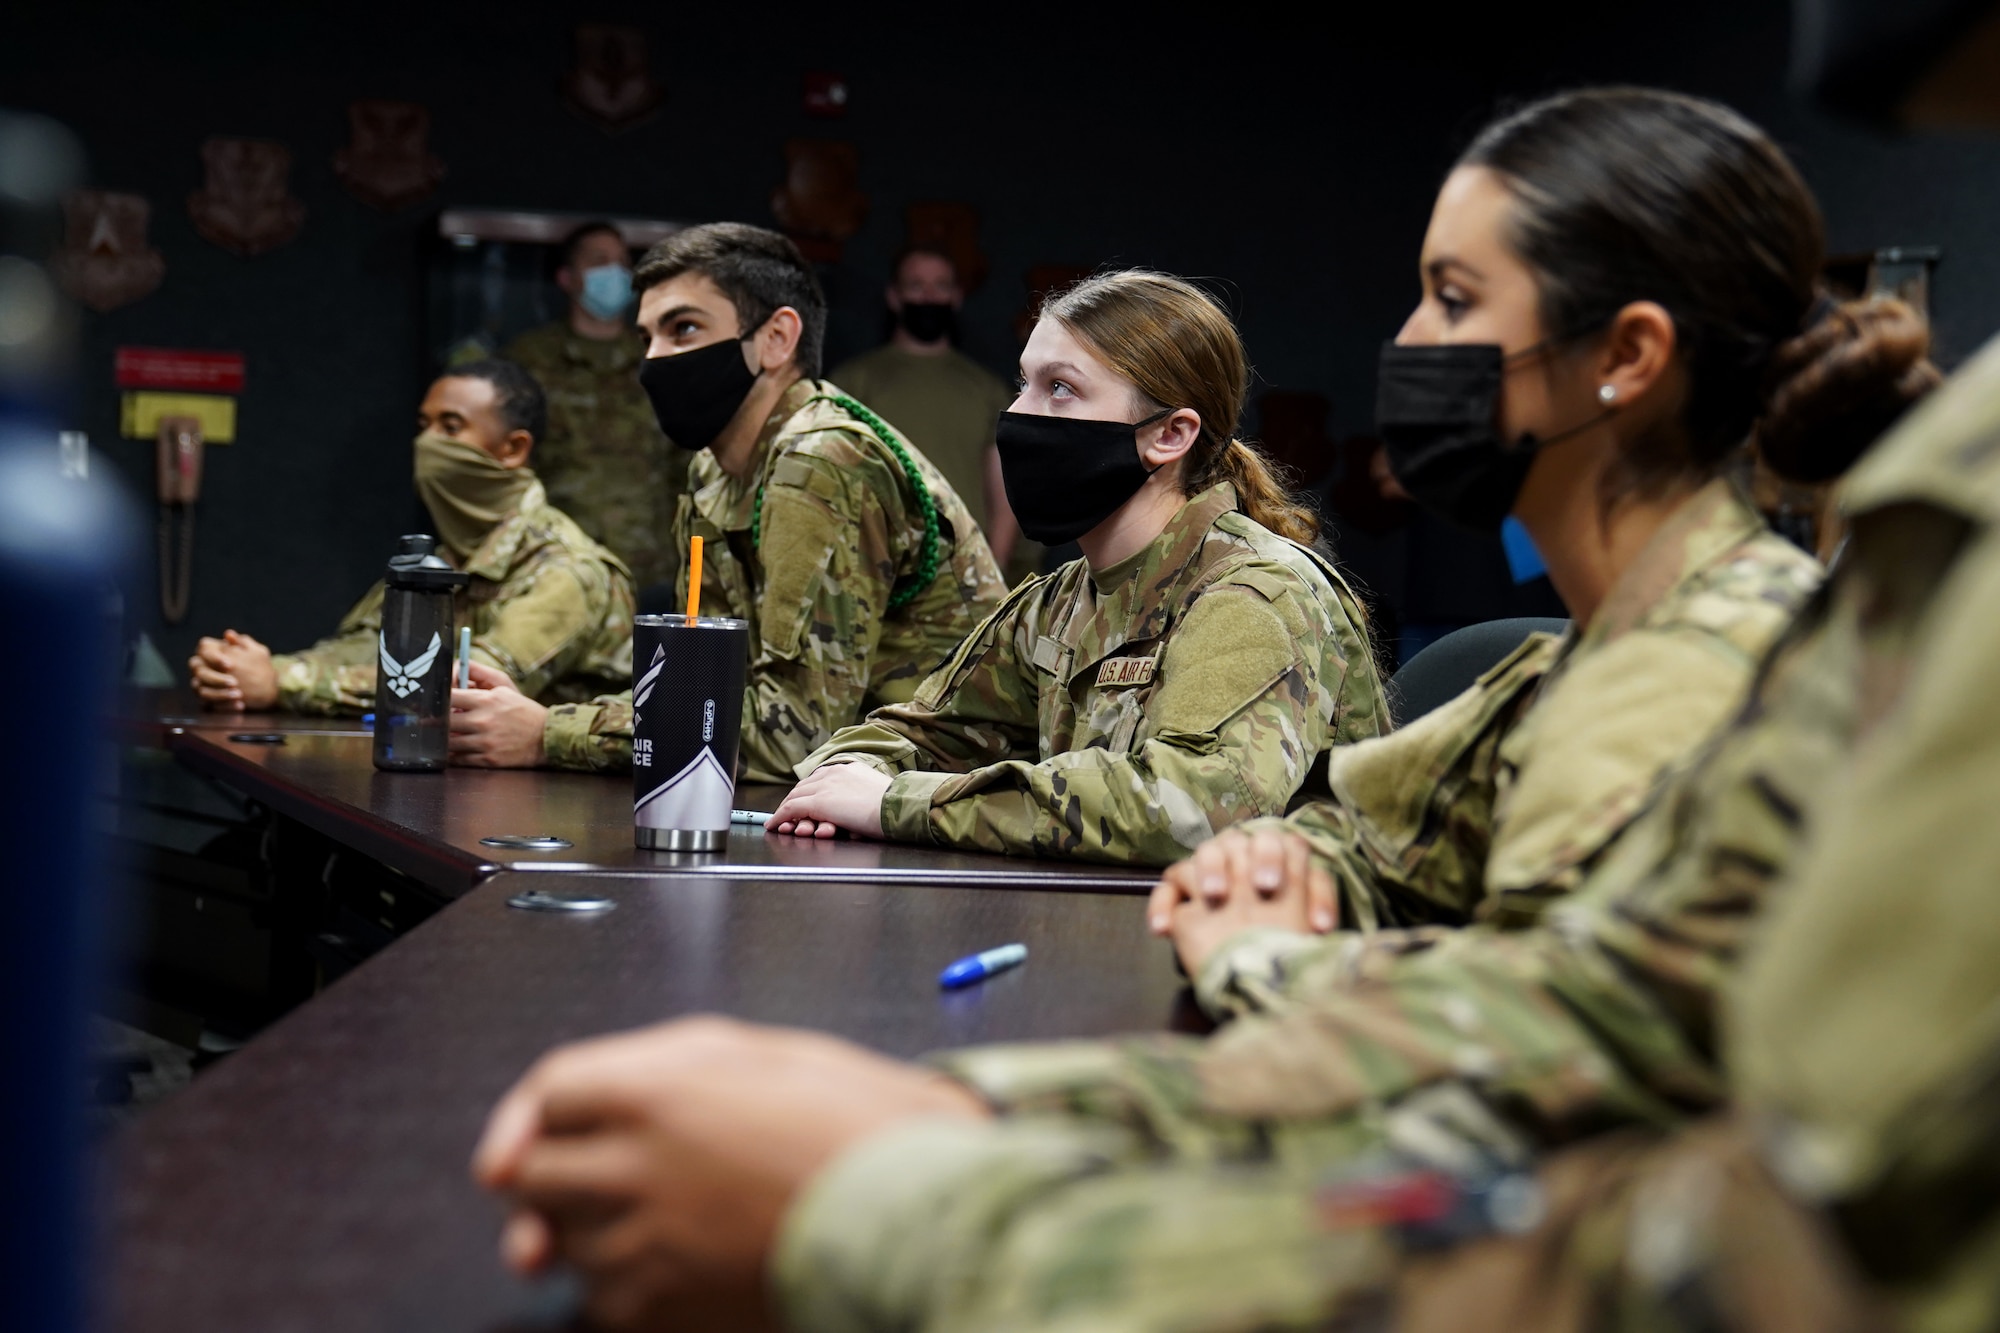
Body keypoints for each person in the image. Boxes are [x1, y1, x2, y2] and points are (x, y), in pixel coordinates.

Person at [467, 89, 1941, 1332]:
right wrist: (1287, 884)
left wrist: (949, 1128)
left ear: (1623, 356)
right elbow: (1331, 843)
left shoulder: (1700, 674)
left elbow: (1539, 1073)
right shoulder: (1570, 668)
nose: (1408, 342)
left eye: (1453, 298)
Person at [766, 270, 1387, 866]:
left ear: (1169, 435)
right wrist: (855, 777)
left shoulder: (1255, 594)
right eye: (1024, 382)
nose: (1019, 414)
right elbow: (925, 732)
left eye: (1059, 388)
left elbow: (1192, 808)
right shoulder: (1062, 599)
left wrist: (898, 803)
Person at [448, 223, 1007, 780]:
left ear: (776, 339)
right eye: (647, 338)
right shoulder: (715, 467)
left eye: (683, 329)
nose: (653, 361)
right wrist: (530, 713)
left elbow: (795, 734)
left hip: (940, 784)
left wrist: (549, 732)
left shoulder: (820, 461)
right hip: (845, 781)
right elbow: (710, 687)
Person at [187, 361, 633, 715]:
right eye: (425, 425)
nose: (428, 444)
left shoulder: (568, 572)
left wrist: (281, 682)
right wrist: (240, 669)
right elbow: (364, 648)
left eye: (451, 427)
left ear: (513, 449)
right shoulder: (445, 559)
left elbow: (463, 686)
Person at [502, 220, 688, 599]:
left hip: (650, 567)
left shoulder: (660, 360)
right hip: (557, 566)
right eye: (599, 260)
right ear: (567, 278)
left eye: (623, 261)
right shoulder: (529, 360)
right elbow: (505, 466)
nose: (616, 272)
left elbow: (685, 463)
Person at [830, 247, 1028, 575]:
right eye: (916, 285)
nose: (929, 296)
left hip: (963, 566)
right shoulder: (852, 381)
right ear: (894, 296)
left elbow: (1005, 484)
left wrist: (995, 564)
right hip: (874, 564)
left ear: (956, 296)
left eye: (941, 285)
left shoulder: (987, 387)